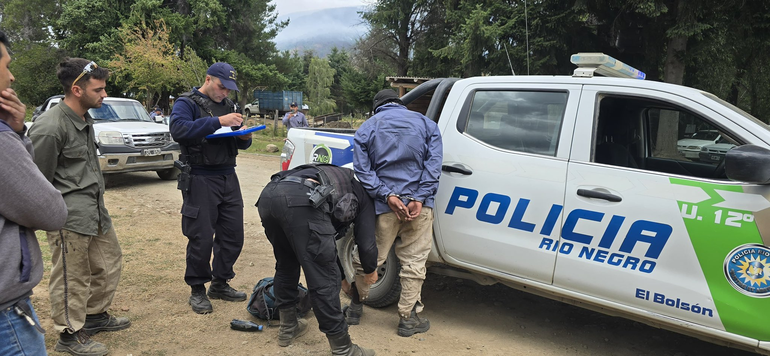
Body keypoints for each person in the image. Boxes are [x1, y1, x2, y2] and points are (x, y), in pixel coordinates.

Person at [28, 58, 130, 356]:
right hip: (68, 217)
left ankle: (95, 315)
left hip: (94, 210)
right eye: (98, 89)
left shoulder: (85, 119)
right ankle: (69, 334)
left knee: (108, 263)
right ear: (76, 89)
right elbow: (38, 182)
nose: (104, 95)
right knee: (72, 276)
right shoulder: (50, 127)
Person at [257, 164, 378, 355]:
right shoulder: (363, 194)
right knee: (323, 279)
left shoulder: (338, 177)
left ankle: (288, 328)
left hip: (269, 196)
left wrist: (343, 280)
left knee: (286, 264)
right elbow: (366, 243)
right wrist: (371, 270)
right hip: (302, 200)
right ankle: (343, 348)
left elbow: (326, 248)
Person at [350, 89, 443, 337]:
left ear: (377, 107)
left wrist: (387, 195)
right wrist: (419, 198)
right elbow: (434, 166)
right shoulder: (428, 124)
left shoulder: (367, 127)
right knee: (414, 262)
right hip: (419, 209)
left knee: (369, 259)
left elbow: (363, 170)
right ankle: (407, 320)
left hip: (384, 208)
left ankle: (355, 308)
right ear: (400, 104)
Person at [0, 30, 68, 356]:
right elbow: (49, 210)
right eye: (7, 64)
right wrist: (15, 136)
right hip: (6, 317)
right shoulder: (51, 124)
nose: (12, 76)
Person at [169, 62, 253, 314]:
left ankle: (220, 282)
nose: (225, 93)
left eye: (229, 89)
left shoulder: (229, 106)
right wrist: (218, 121)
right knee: (201, 236)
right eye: (221, 87)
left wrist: (244, 138)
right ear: (208, 79)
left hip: (228, 175)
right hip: (200, 177)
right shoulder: (187, 103)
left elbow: (234, 142)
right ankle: (197, 289)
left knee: (233, 234)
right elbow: (179, 130)